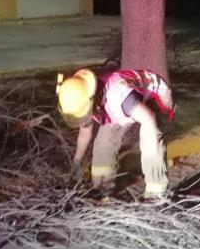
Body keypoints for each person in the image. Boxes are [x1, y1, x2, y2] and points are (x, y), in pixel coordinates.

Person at [56, 67, 175, 198]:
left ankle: (156, 192)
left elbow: (149, 118)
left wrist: (153, 164)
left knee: (149, 137)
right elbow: (85, 132)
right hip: (120, 105)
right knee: (103, 143)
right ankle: (103, 186)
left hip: (156, 97)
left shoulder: (119, 96)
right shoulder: (84, 95)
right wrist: (76, 161)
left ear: (93, 101)